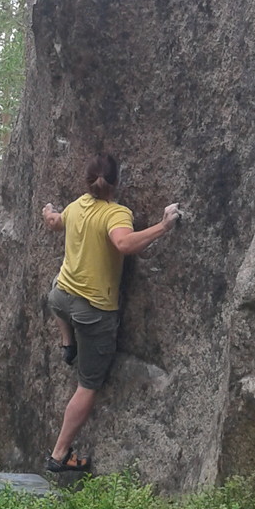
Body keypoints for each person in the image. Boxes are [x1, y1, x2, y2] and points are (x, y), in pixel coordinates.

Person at [41, 153, 180, 473]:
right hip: (93, 313)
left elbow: (53, 222)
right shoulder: (116, 213)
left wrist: (48, 211)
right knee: (88, 384)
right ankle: (59, 454)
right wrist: (163, 225)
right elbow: (124, 244)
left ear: (87, 182)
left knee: (56, 289)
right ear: (117, 182)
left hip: (60, 299)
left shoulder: (76, 206)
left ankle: (67, 343)